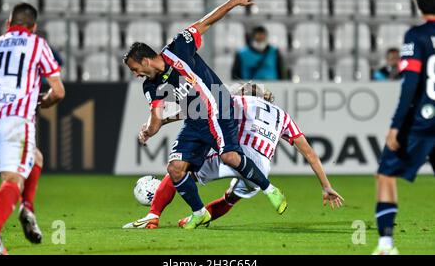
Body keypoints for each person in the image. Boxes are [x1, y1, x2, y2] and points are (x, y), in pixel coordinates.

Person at [122, 0, 287, 230]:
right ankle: (200, 213)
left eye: (135, 69)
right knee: (175, 169)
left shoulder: (179, 47)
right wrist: (148, 130)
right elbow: (156, 117)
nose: (135, 74)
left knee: (229, 156)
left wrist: (235, 1)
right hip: (196, 120)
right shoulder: (151, 86)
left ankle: (270, 190)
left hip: (219, 107)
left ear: (145, 60)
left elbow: (206, 22)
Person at [123, 83, 344, 229]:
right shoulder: (284, 117)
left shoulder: (240, 102)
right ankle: (194, 219)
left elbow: (197, 110)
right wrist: (326, 186)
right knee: (231, 199)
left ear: (247, 94)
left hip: (236, 156)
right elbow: (310, 154)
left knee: (180, 170)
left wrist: (162, 120)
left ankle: (154, 216)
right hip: (262, 168)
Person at [0, 3, 65, 255]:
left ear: (8, 25)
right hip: (14, 121)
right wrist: (43, 100)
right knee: (13, 179)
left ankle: (27, 208)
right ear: (34, 27)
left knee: (35, 157)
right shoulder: (37, 44)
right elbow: (58, 91)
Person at [373, 0, 435, 255]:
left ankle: (386, 246)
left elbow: (410, 84)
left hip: (422, 122)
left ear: (419, 6)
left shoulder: (416, 36)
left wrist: (396, 126)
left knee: (386, 175)